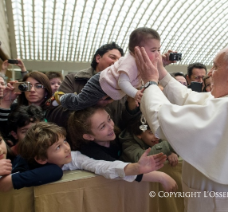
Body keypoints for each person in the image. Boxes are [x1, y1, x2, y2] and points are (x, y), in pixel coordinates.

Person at [135, 44, 228, 211]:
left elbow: (162, 119)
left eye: (216, 66)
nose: (210, 72)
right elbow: (192, 99)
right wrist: (162, 74)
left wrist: (150, 83)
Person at [16, 122, 177, 191]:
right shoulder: (22, 166)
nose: (66, 148)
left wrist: (137, 168)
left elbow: (102, 166)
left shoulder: (75, 156)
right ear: (41, 159)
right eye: (58, 147)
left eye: (64, 141)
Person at [67, 106, 178, 191]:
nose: (110, 126)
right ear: (89, 136)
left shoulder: (116, 134)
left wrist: (170, 152)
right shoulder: (90, 151)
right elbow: (119, 170)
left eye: (109, 119)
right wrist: (162, 177)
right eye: (102, 126)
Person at [57, 27, 161, 111]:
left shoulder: (139, 62)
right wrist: (135, 93)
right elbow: (123, 82)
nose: (158, 54)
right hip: (98, 84)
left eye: (159, 50)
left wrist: (164, 62)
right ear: (137, 50)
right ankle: (62, 98)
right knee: (79, 102)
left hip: (106, 88)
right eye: (153, 50)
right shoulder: (129, 62)